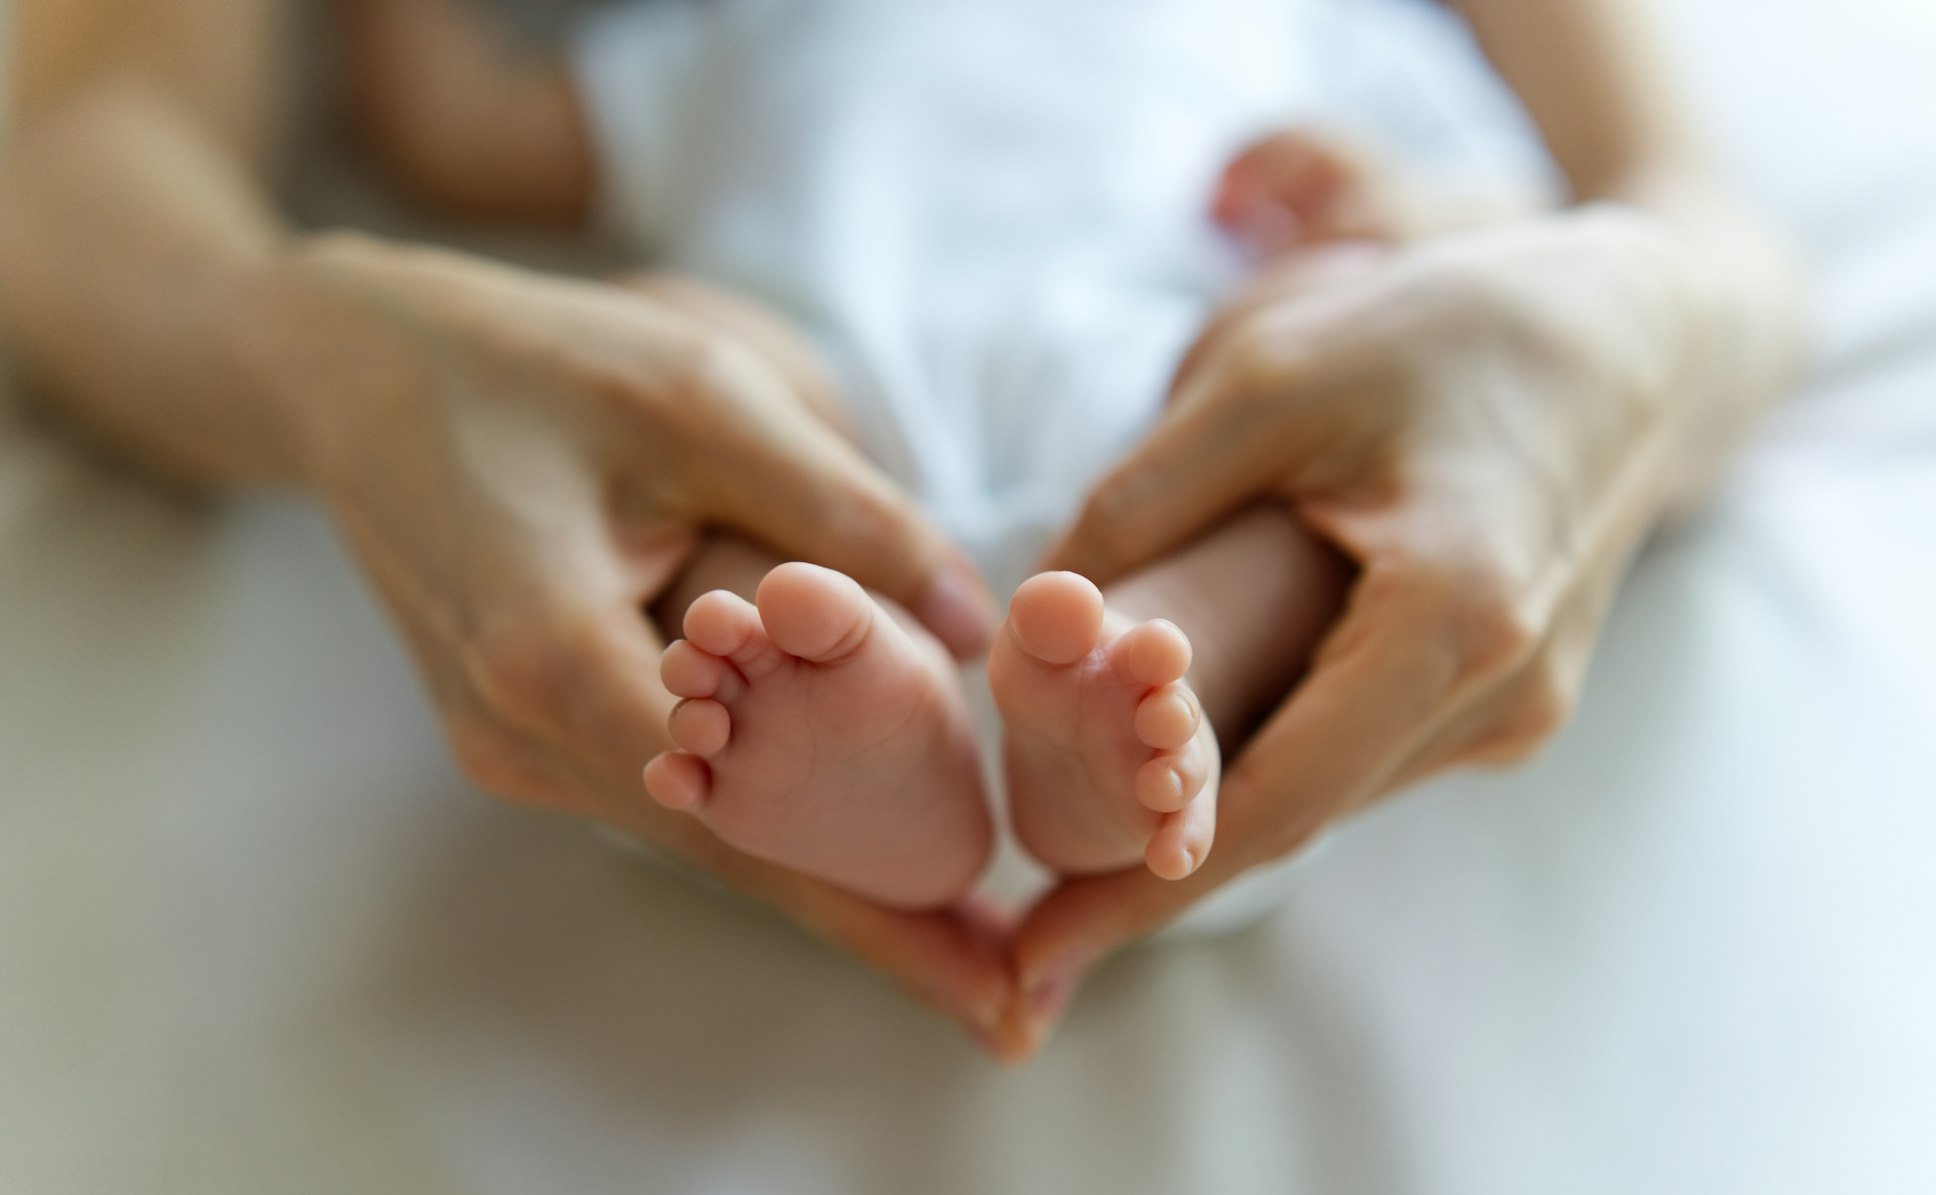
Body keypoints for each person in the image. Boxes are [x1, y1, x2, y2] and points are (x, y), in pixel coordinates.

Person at [0, 0, 1804, 1059]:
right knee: (693, 378)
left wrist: (1400, 213)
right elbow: (461, 137)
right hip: (805, 401)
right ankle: (864, 744)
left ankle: (1128, 723)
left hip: (1197, 339)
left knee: (1302, 402)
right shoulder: (726, 38)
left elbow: (1528, 196)